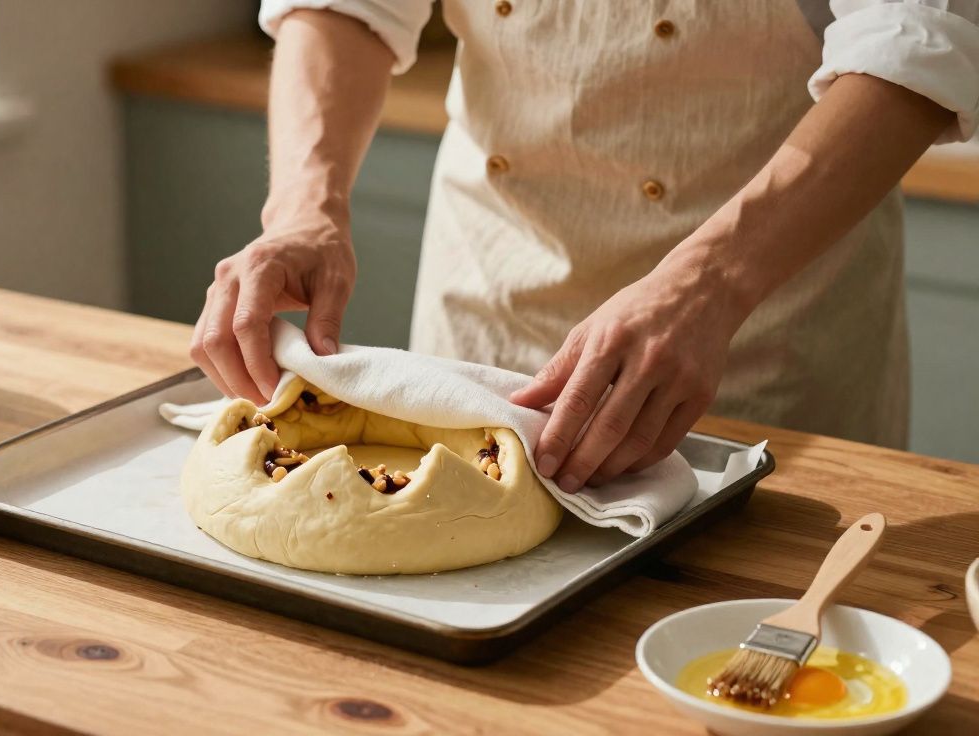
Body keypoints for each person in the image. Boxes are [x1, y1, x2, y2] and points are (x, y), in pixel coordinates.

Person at [189, 0, 979, 492]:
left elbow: (916, 39)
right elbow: (342, 6)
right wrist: (304, 208)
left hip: (761, 326)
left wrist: (709, 284)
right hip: (488, 301)